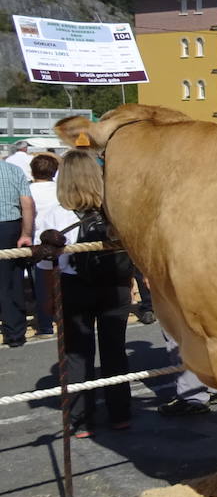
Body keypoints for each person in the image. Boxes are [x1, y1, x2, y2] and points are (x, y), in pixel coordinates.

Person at [34, 150, 134, 435]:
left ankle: (80, 420)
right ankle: (120, 413)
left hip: (73, 285)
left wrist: (48, 299)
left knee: (77, 354)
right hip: (114, 286)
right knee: (115, 352)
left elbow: (46, 262)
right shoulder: (114, 210)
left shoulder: (55, 212)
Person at [0, 156, 34, 347]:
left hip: (9, 225)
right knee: (12, 280)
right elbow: (27, 204)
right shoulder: (14, 170)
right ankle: (15, 333)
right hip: (10, 227)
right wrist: (26, 233)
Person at [27, 153, 61, 340]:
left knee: (41, 287)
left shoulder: (28, 190)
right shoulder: (59, 190)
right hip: (61, 242)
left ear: (32, 171)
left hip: (36, 244)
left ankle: (45, 325)